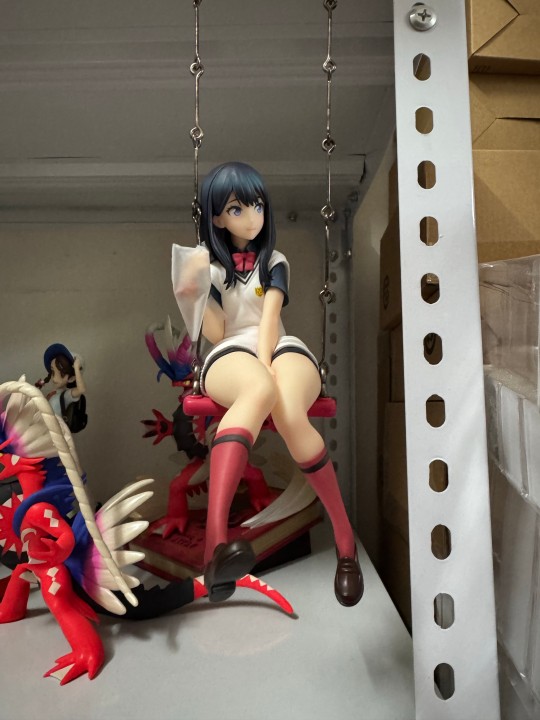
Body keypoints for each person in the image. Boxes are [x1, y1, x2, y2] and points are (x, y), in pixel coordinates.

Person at [172, 162, 363, 606]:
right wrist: (192, 297)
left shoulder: (274, 262)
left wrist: (267, 360)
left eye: (257, 206)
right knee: (258, 389)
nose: (252, 217)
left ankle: (345, 539)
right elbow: (217, 332)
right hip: (229, 352)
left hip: (278, 344)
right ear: (217, 218)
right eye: (237, 209)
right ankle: (215, 545)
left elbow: (271, 319)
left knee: (291, 410)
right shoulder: (211, 270)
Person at [36, 343, 86, 419]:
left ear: (71, 378)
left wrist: (76, 368)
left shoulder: (66, 395)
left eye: (61, 373)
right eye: (53, 372)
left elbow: (81, 389)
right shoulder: (53, 393)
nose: (55, 378)